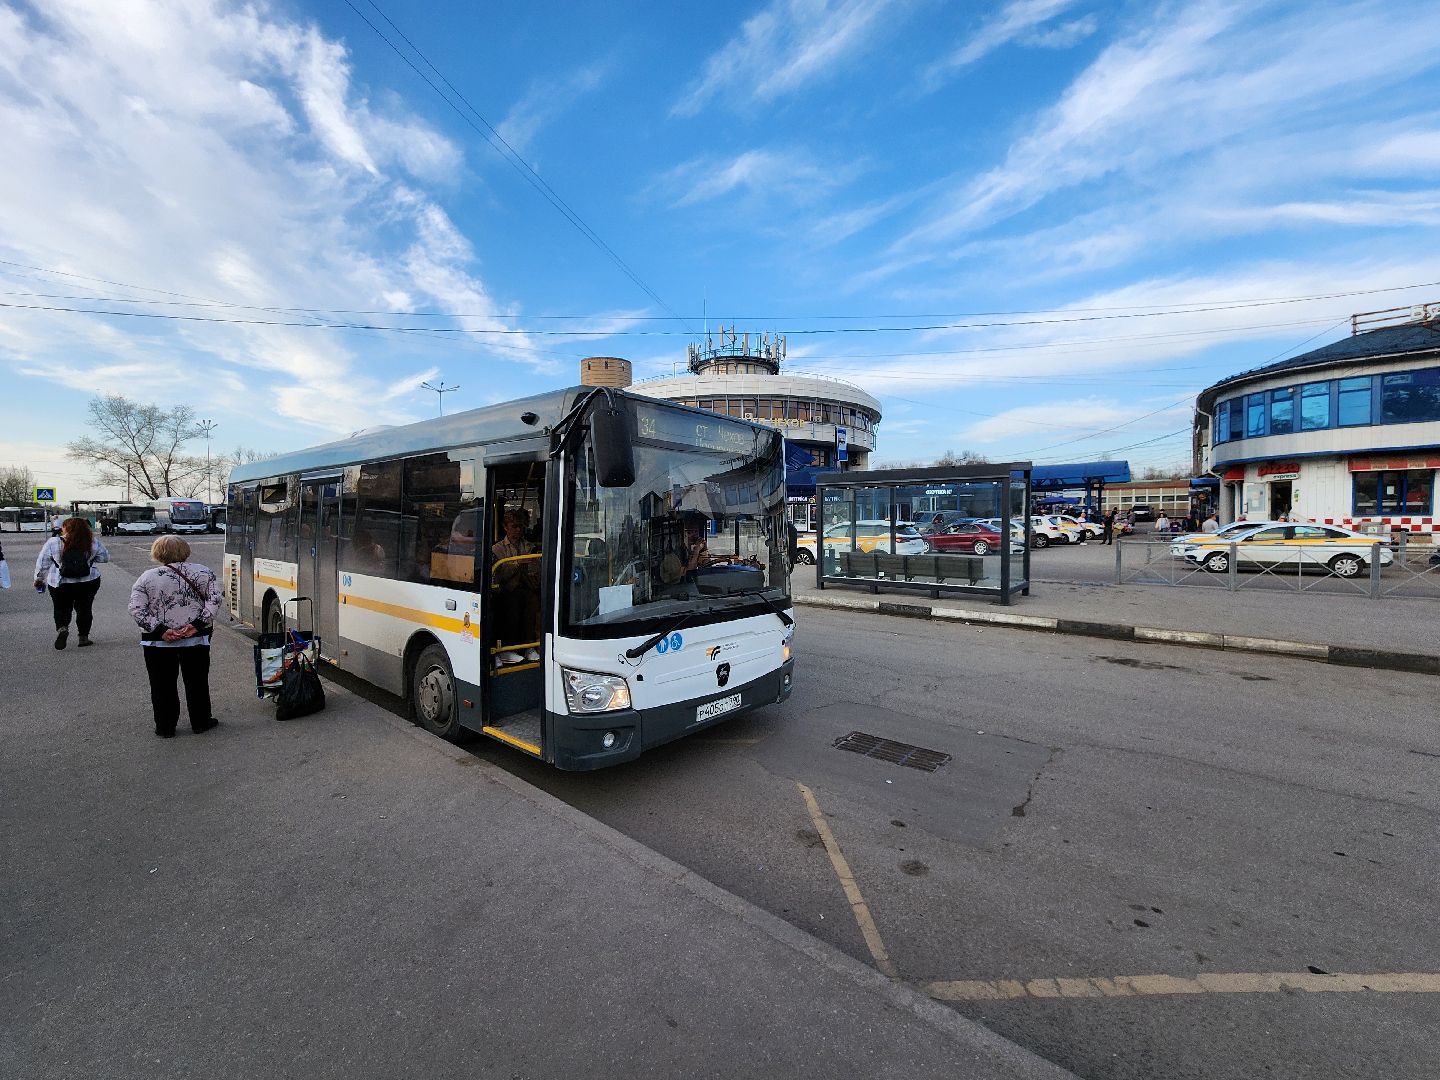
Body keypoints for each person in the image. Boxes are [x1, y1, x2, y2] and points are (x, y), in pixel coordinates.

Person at [128, 535, 221, 738]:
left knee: (161, 685)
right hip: (196, 639)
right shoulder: (204, 572)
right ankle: (200, 721)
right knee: (197, 682)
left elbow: (136, 609)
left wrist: (161, 630)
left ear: (157, 553)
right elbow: (214, 601)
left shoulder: (147, 577)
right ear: (185, 551)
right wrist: (196, 626)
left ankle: (165, 726)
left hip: (157, 642)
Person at [34, 516, 111, 649]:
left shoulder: (53, 542)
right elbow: (105, 558)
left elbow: (42, 563)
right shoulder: (92, 542)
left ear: (66, 528)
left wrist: (38, 579)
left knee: (61, 607)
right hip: (88, 581)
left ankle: (62, 628)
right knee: (84, 608)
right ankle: (83, 637)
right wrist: (89, 561)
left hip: (60, 582)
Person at [491, 507, 540, 665]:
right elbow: (498, 575)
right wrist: (517, 564)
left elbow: (536, 570)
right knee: (512, 605)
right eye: (514, 526)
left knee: (533, 601)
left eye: (521, 526)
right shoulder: (497, 549)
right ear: (505, 527)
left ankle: (530, 646)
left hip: (526, 588)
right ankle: (507, 648)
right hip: (505, 590)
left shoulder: (529, 546)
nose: (518, 530)